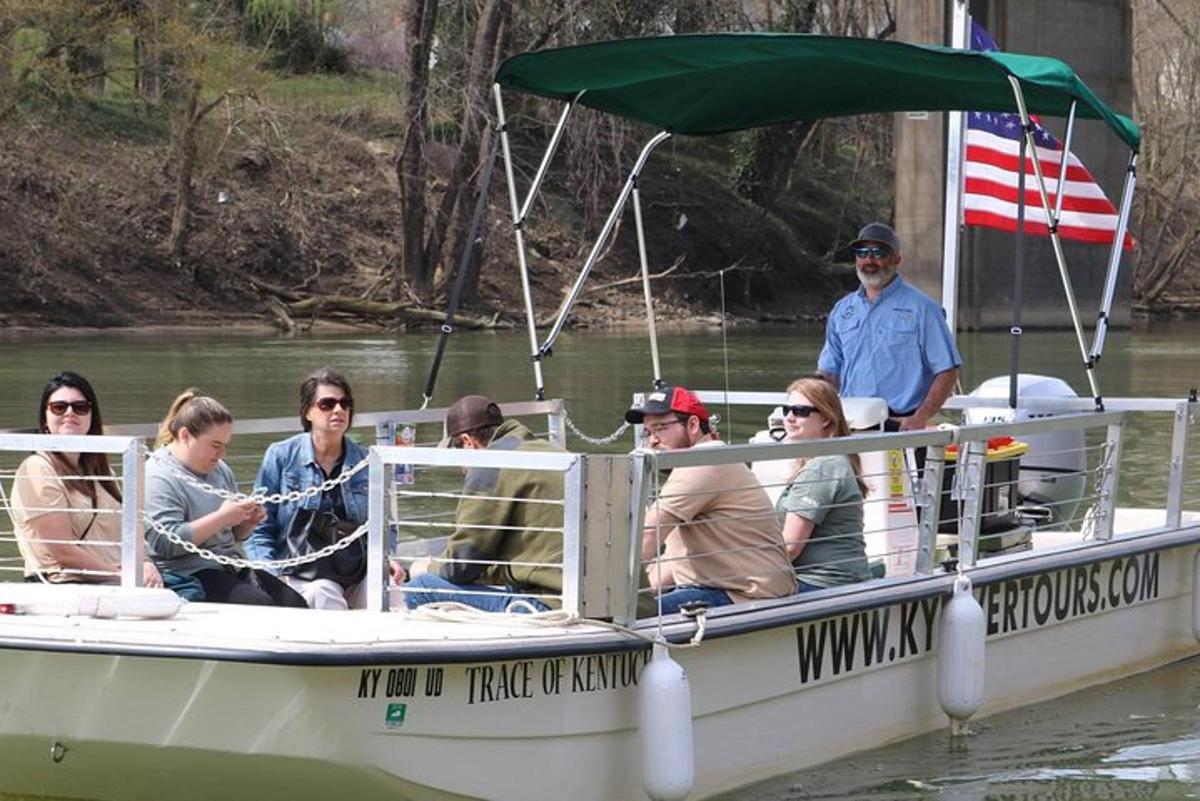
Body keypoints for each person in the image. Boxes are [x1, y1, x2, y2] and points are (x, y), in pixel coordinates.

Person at [627, 385, 796, 614]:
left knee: (632, 614)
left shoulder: (702, 462)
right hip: (731, 589)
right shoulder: (705, 460)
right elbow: (673, 559)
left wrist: (611, 598)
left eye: (660, 429)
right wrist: (638, 593)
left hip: (747, 596)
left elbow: (648, 534)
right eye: (648, 432)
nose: (652, 441)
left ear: (693, 425)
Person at [145, 389, 306, 608]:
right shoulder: (158, 474)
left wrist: (248, 521)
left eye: (225, 446)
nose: (221, 454)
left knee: (296, 603)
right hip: (188, 571)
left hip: (230, 565)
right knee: (260, 605)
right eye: (215, 445)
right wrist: (222, 517)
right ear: (185, 436)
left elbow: (234, 535)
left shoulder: (220, 470)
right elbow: (166, 544)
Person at [402, 395, 564, 613]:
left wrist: (423, 568)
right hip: (583, 597)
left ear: (468, 441)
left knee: (419, 589)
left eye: (455, 451)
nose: (460, 466)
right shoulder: (548, 450)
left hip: (546, 605)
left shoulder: (489, 464)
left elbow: (460, 567)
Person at [9, 372, 162, 587]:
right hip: (69, 584)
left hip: (118, 579)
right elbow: (63, 551)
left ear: (91, 416)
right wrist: (123, 577)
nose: (70, 413)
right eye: (59, 407)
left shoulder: (101, 470)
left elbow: (129, 533)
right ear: (45, 418)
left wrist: (145, 564)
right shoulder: (37, 469)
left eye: (80, 407)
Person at [817, 222, 961, 432]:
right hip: (849, 422)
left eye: (878, 252)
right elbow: (829, 372)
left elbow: (947, 371)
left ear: (897, 259)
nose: (869, 260)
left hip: (902, 425)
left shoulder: (923, 309)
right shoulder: (841, 310)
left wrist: (919, 418)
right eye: (862, 252)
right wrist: (809, 399)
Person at [247, 367, 370, 610]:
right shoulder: (281, 456)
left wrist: (387, 561)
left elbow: (387, 525)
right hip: (299, 571)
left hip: (356, 568)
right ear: (308, 412)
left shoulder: (365, 461)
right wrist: (272, 575)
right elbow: (258, 527)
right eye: (327, 404)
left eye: (345, 404)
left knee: (390, 591)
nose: (338, 410)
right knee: (323, 592)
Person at [776, 376, 871, 591]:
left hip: (821, 583)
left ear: (826, 419)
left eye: (800, 411)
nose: (789, 418)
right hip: (840, 580)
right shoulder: (833, 460)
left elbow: (790, 547)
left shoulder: (822, 466)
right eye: (786, 410)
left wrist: (739, 569)